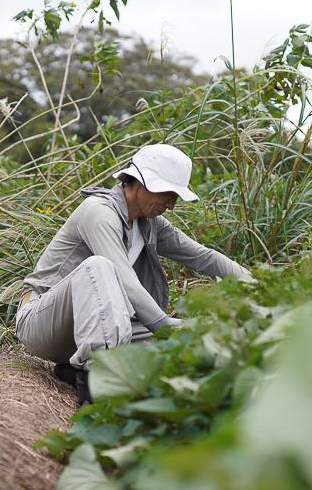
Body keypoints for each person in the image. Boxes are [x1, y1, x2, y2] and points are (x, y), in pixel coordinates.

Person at [15, 143, 250, 405]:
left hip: (88, 327)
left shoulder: (149, 223)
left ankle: (75, 371)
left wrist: (257, 285)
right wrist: (163, 326)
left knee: (195, 335)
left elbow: (203, 257)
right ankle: (94, 392)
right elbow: (125, 281)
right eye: (168, 193)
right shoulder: (99, 212)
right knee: (101, 267)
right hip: (42, 323)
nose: (171, 204)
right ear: (140, 181)